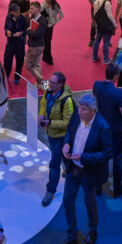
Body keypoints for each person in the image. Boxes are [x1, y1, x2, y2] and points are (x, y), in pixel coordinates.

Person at [62, 94, 112, 244]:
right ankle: (71, 236)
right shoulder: (76, 116)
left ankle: (92, 231)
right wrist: (66, 143)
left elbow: (107, 153)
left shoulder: (103, 126)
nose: (79, 112)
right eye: (79, 108)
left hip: (88, 173)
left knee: (90, 204)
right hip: (72, 169)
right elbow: (69, 132)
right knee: (68, 202)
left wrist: (83, 157)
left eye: (83, 109)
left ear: (92, 111)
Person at [93, 63, 122, 198]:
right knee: (117, 159)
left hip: (101, 129)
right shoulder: (119, 93)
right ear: (115, 76)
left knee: (102, 158)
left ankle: (98, 186)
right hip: (116, 131)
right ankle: (117, 188)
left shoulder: (96, 85)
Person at [39, 72, 74, 207]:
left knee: (55, 162)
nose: (49, 84)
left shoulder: (67, 101)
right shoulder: (49, 91)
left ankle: (50, 191)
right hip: (51, 134)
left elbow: (68, 122)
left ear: (60, 84)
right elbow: (43, 104)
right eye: (50, 80)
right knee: (62, 158)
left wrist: (50, 123)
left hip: (61, 137)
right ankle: (68, 170)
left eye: (53, 82)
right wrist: (41, 115)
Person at [3, 3, 27, 84]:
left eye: (18, 10)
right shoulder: (9, 17)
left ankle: (17, 78)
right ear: (12, 12)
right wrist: (7, 32)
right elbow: (5, 27)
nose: (18, 12)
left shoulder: (23, 18)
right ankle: (6, 76)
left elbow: (26, 30)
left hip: (20, 44)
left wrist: (21, 33)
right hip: (10, 43)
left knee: (19, 62)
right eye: (16, 11)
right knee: (7, 61)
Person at [25, 1, 47, 84]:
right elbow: (28, 27)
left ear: (37, 9)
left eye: (31, 8)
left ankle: (42, 83)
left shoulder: (43, 21)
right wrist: (29, 31)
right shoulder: (32, 17)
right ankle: (41, 82)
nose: (30, 10)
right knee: (31, 65)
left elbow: (37, 35)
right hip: (32, 45)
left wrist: (29, 31)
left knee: (34, 66)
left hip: (37, 46)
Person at [92, 0, 116, 64]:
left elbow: (95, 15)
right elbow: (109, 15)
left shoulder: (96, 2)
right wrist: (114, 24)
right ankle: (106, 59)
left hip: (99, 25)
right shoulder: (107, 3)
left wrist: (96, 24)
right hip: (106, 25)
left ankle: (94, 57)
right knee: (106, 42)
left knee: (97, 41)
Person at [41, 0, 64, 65]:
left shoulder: (56, 5)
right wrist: (44, 6)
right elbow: (40, 11)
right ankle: (45, 56)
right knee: (44, 41)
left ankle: (49, 58)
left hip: (50, 26)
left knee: (48, 42)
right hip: (43, 25)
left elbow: (61, 16)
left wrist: (55, 22)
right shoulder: (43, 3)